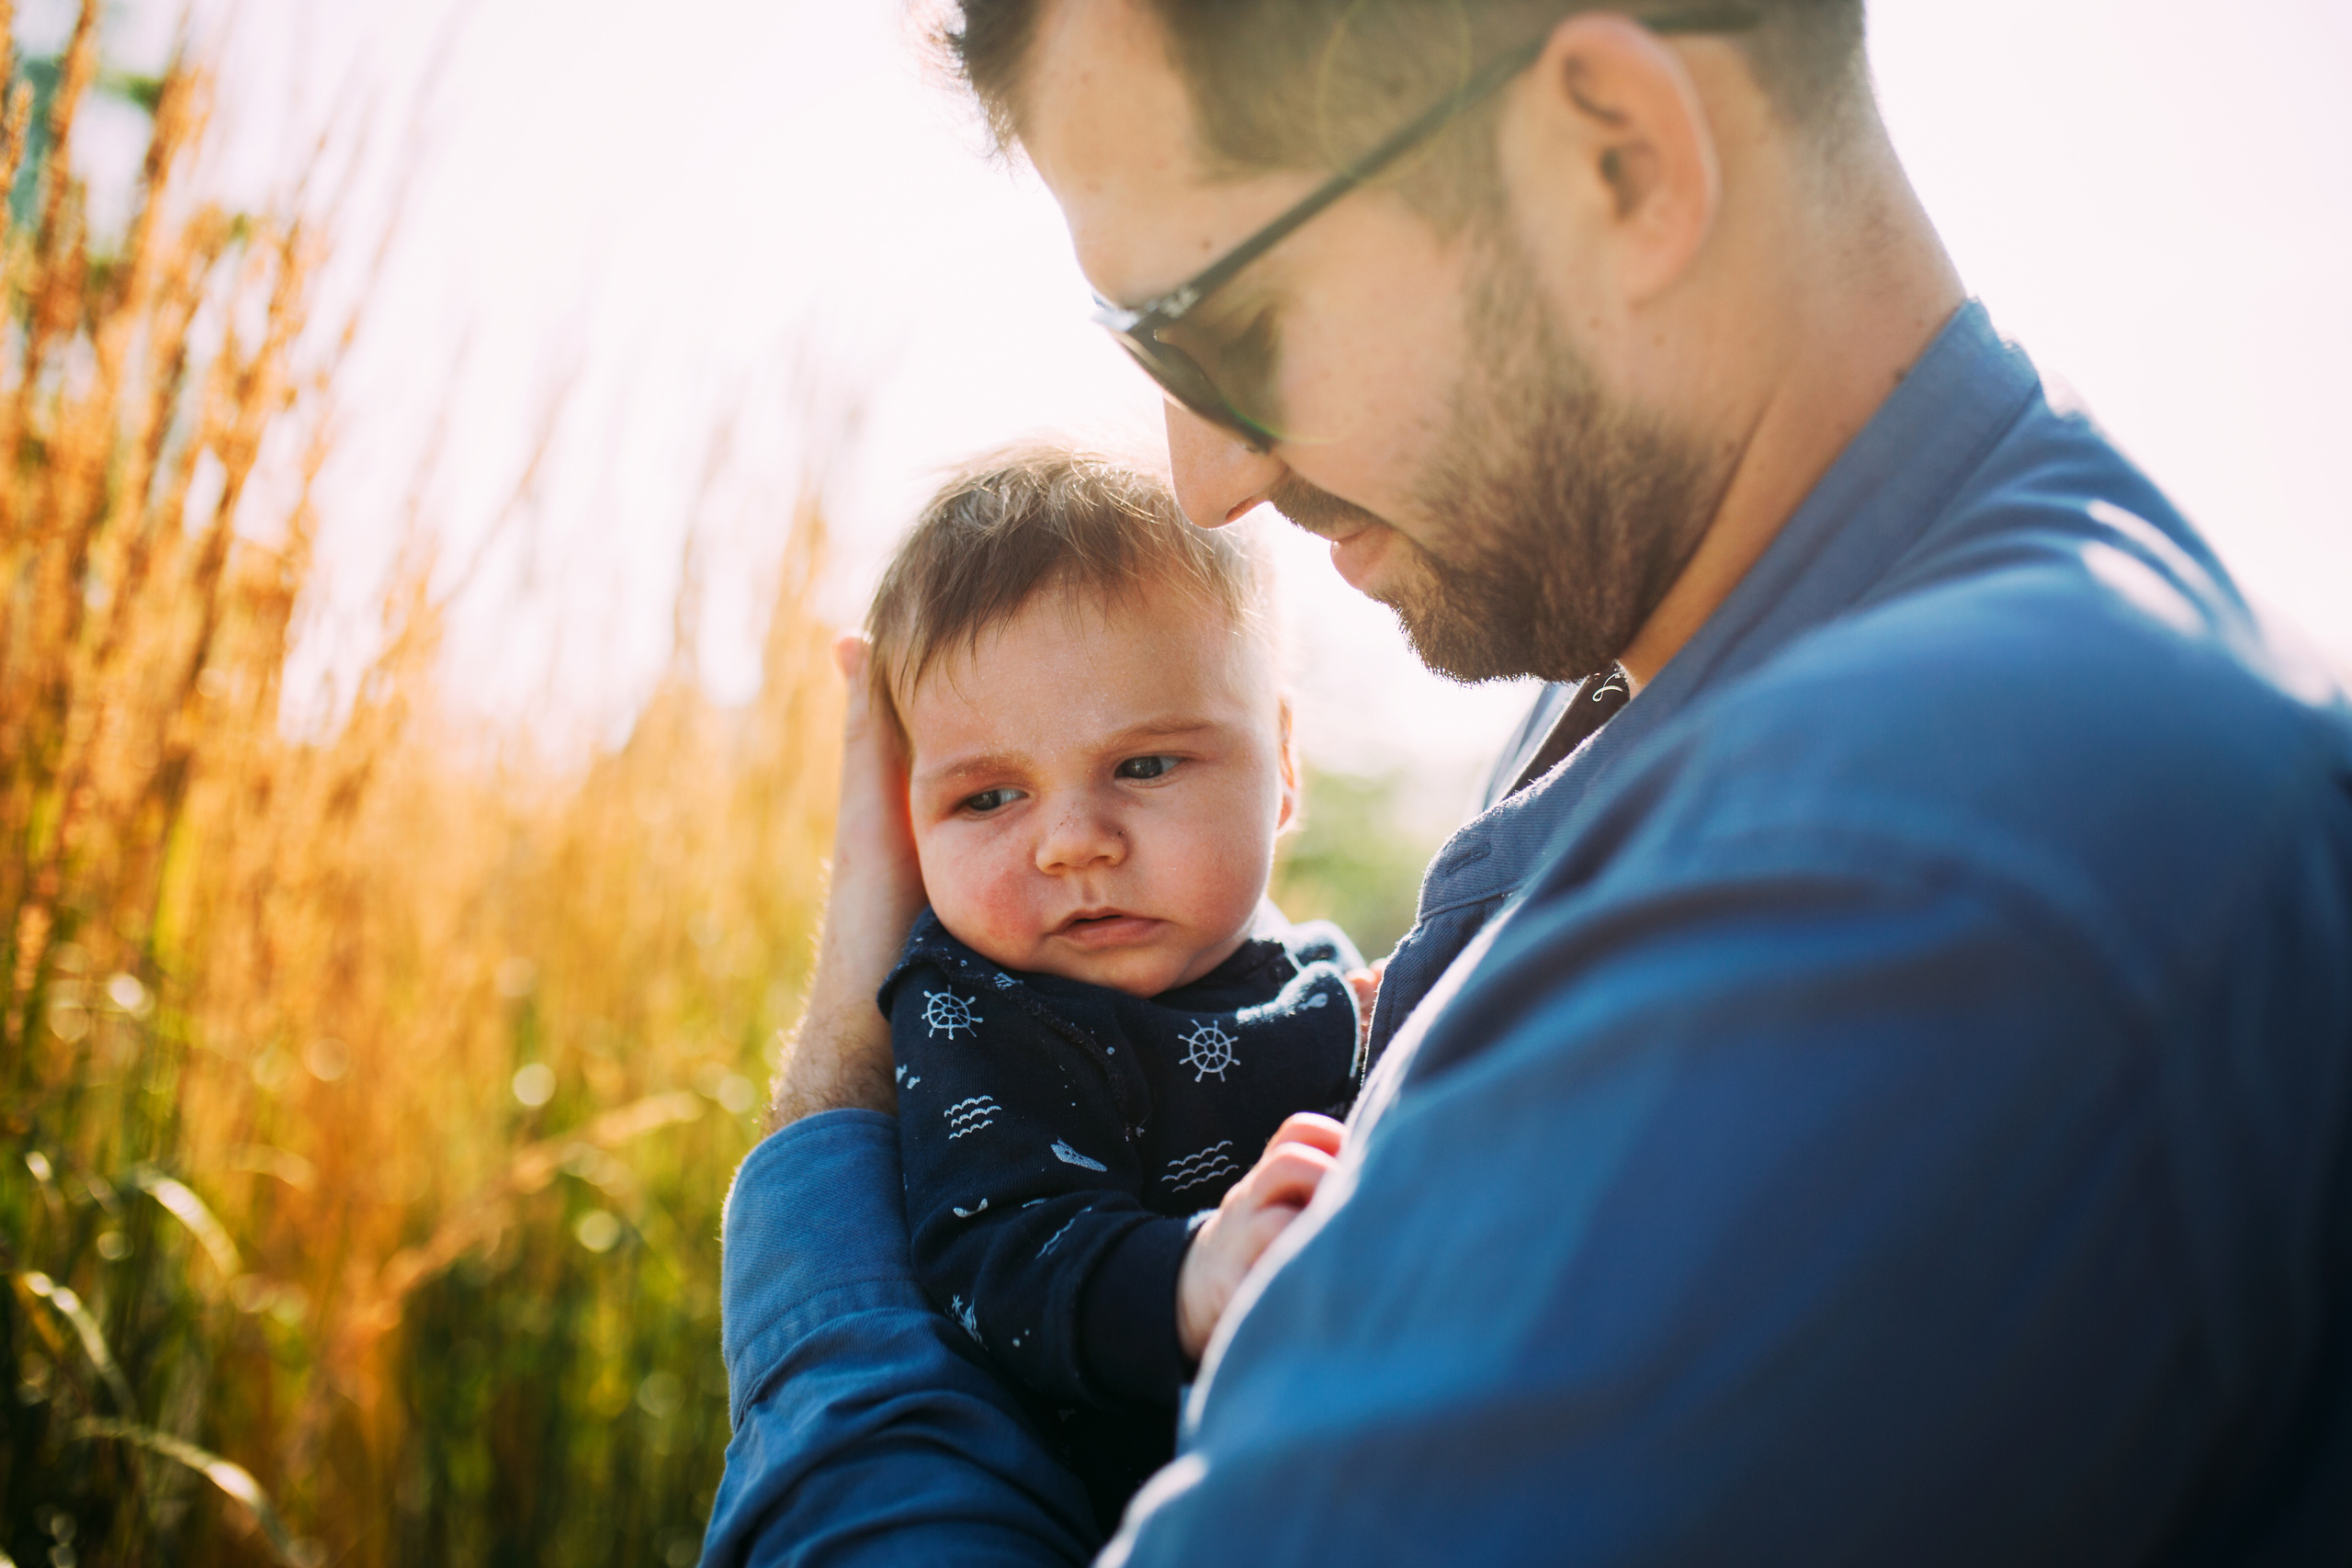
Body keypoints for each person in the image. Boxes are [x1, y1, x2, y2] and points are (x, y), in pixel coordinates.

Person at [705, 2, 2352, 1562]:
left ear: (1616, 159)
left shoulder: (1915, 874)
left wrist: (837, 1130)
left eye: (1221, 328)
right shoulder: (1684, 687)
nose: (1207, 478)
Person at [864, 447, 1365, 1524]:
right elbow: (998, 1250)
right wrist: (1186, 1277)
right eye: (990, 795)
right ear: (906, 822)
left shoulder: (1310, 968)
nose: (1073, 843)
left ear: (1281, 766)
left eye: (1144, 767)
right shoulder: (978, 1012)